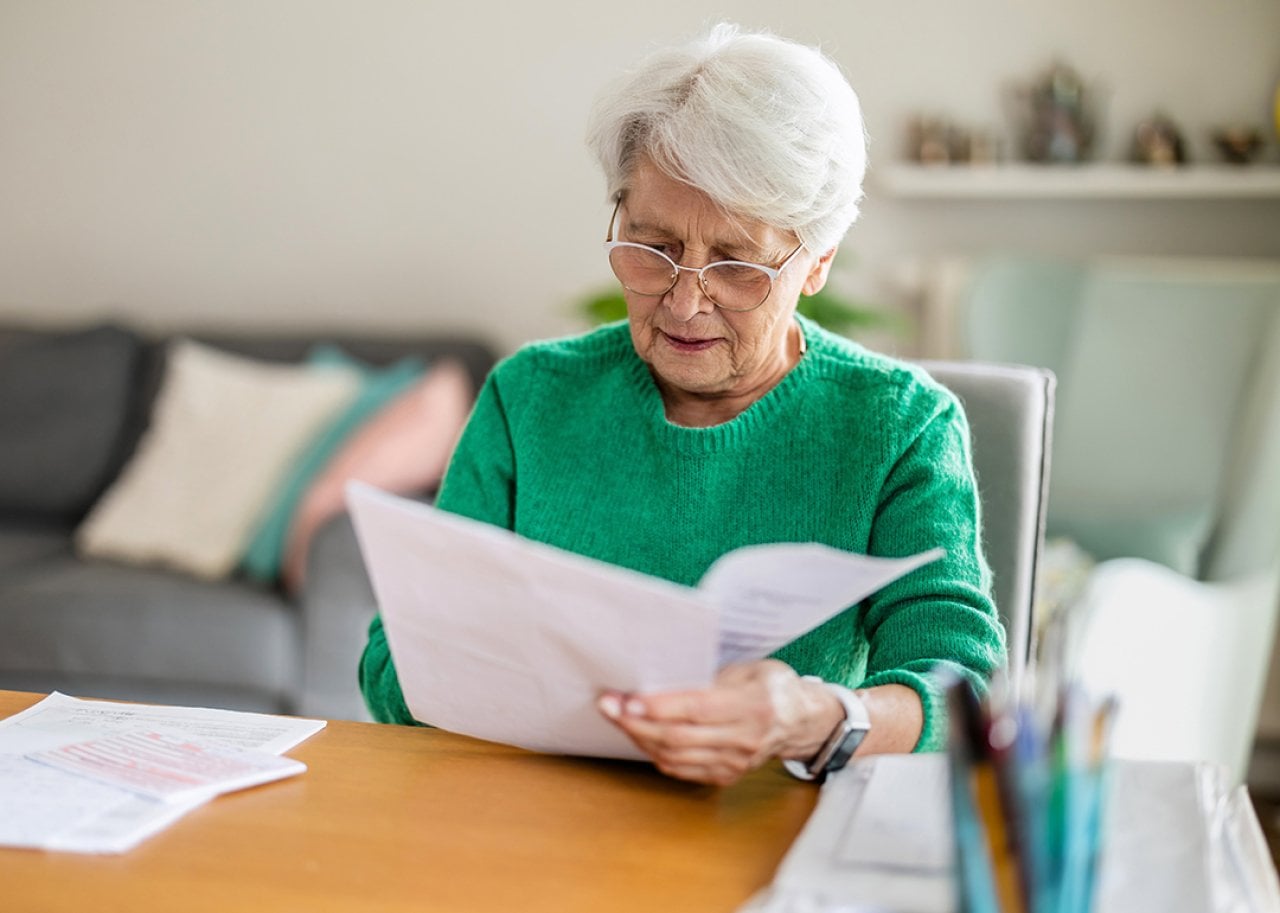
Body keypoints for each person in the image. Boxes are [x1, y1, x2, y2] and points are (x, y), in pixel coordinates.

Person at [360, 24, 1004, 786]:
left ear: (818, 260)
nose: (685, 299)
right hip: (537, 825)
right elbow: (390, 664)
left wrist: (815, 716)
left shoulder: (899, 425)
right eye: (652, 244)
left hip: (770, 836)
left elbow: (964, 682)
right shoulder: (530, 397)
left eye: (736, 264)